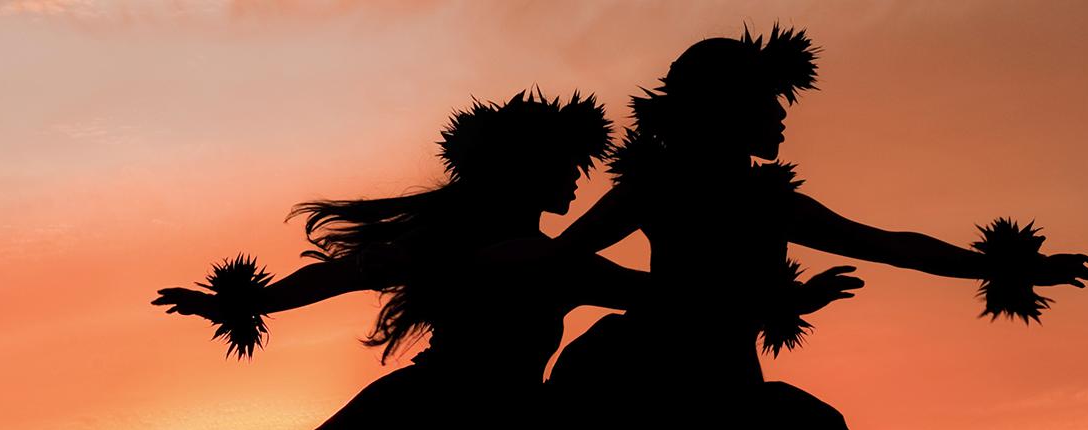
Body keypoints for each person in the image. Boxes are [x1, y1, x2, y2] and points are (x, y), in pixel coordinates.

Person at [156, 90, 860, 428]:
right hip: (464, 418)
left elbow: (670, 300)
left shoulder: (531, 256)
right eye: (566, 167)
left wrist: (244, 303)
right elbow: (343, 273)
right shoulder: (535, 258)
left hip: (453, 412)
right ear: (527, 172)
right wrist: (245, 301)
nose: (578, 179)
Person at [542, 25, 1088, 428]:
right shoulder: (660, 187)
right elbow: (558, 259)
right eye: (767, 100)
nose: (781, 114)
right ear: (728, 107)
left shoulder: (768, 202)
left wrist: (1009, 266)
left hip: (729, 380)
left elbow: (891, 246)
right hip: (647, 379)